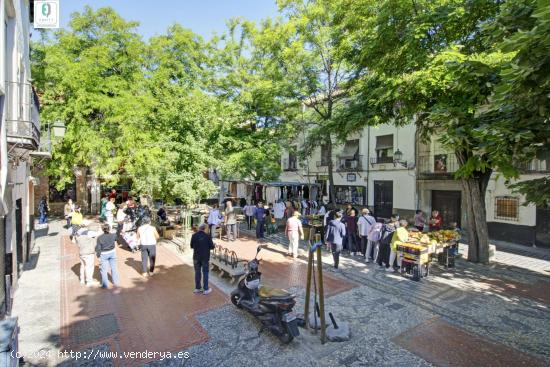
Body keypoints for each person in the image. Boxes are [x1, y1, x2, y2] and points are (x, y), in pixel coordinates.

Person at [190, 223, 215, 294]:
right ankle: (206, 289)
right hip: (205, 257)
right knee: (205, 272)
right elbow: (212, 247)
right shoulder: (207, 236)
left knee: (197, 272)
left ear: (199, 228)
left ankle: (197, 288)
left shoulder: (194, 235)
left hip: (196, 257)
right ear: (205, 228)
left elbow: (191, 246)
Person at [95, 223, 120, 289]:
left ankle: (105, 285)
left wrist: (98, 256)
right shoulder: (113, 235)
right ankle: (116, 282)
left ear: (102, 229)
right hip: (112, 253)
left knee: (104, 270)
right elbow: (117, 238)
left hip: (104, 254)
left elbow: (98, 248)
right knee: (114, 268)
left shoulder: (99, 238)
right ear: (109, 228)